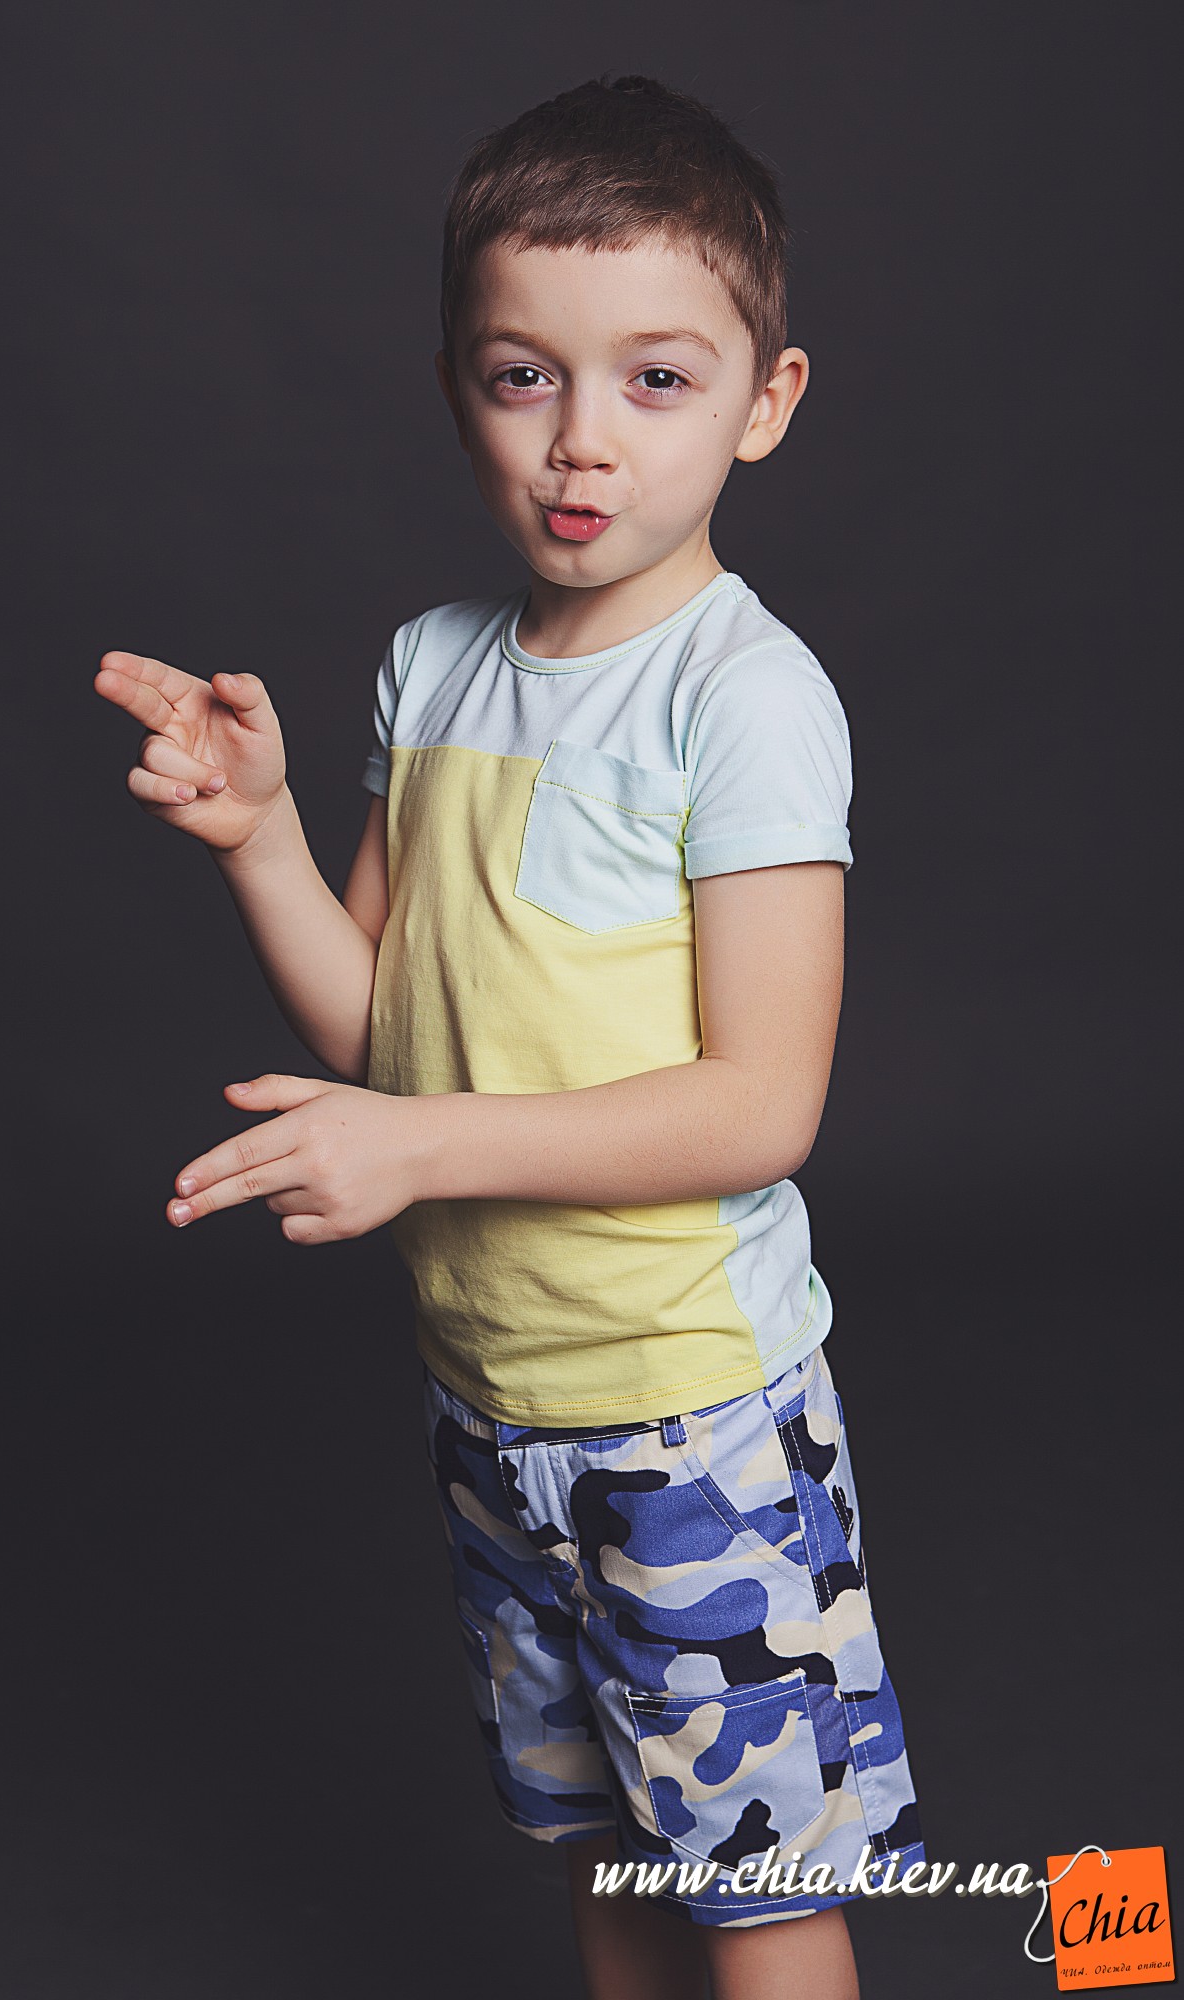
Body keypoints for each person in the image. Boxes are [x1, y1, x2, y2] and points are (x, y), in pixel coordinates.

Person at [94, 72, 924, 2000]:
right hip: (495, 1404)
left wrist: (416, 1149)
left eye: (656, 380)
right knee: (609, 1851)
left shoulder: (743, 697)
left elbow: (759, 1104)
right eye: (520, 375)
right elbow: (387, 1025)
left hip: (691, 1416)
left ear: (765, 401)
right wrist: (261, 842)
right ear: (454, 386)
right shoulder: (435, 664)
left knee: (756, 1882)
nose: (580, 440)